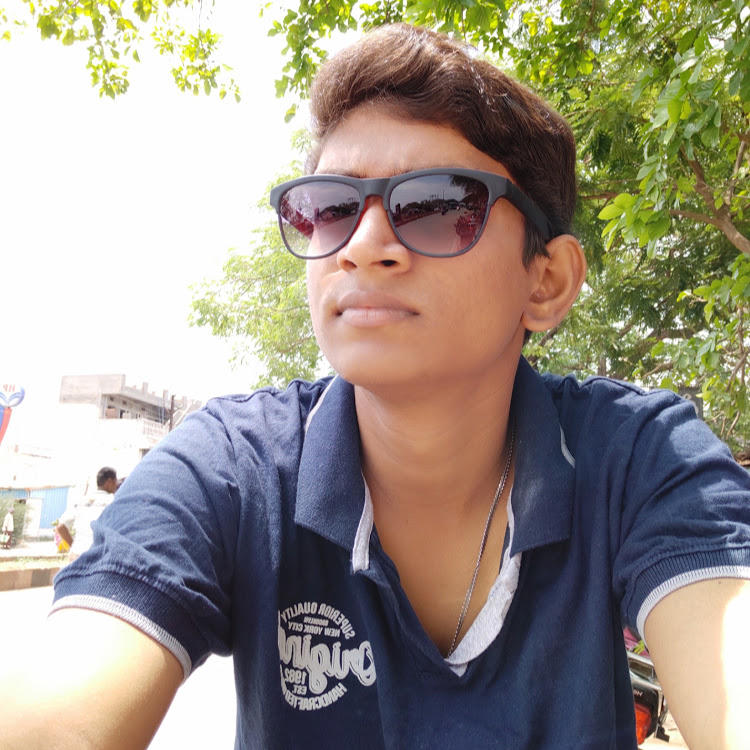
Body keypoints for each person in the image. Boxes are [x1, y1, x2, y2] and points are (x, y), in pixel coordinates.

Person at [1, 23, 749, 750]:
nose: (361, 247)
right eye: (329, 208)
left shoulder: (640, 459)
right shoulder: (235, 469)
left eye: (438, 205)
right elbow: (66, 700)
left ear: (546, 280)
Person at [55, 467, 118, 560]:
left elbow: (60, 527)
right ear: (109, 482)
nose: (116, 486)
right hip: (99, 557)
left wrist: (73, 547)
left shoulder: (81, 501)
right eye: (115, 482)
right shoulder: (113, 501)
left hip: (77, 556)